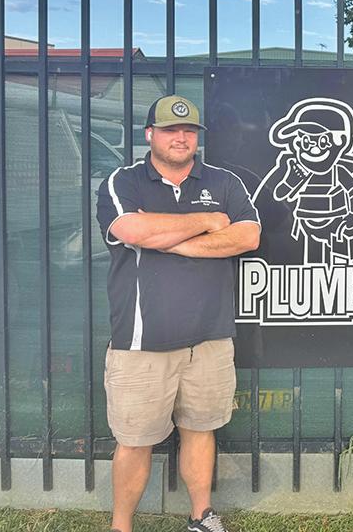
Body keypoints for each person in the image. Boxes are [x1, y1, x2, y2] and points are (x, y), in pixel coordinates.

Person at [96, 95, 260, 532]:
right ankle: (121, 526)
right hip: (141, 341)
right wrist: (207, 220)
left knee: (201, 430)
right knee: (134, 441)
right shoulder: (124, 181)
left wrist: (166, 239)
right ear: (150, 134)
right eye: (170, 129)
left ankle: (200, 516)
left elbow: (247, 236)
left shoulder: (224, 181)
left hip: (209, 337)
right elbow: (130, 228)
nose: (181, 137)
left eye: (189, 131)